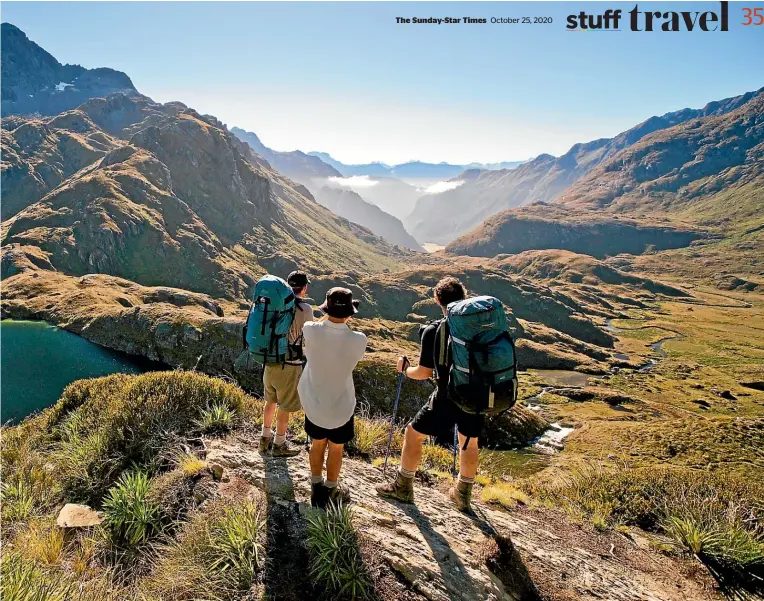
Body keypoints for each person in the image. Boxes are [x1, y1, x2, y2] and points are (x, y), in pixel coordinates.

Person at [376, 276, 480, 512]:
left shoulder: (434, 330)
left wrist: (405, 370)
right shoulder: (477, 327)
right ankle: (462, 495)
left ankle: (403, 486)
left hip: (448, 395)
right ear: (464, 297)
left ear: (436, 300)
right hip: (477, 394)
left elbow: (423, 373)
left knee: (413, 434)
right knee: (469, 441)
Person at [299, 287, 367, 507]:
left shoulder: (310, 329)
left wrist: (328, 316)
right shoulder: (359, 339)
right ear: (350, 313)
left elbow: (318, 325)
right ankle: (330, 488)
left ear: (326, 309)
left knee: (317, 444)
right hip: (342, 405)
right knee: (337, 448)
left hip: (315, 402)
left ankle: (315, 485)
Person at [259, 270, 314, 457]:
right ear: (304, 288)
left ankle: (264, 439)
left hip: (270, 359)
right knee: (285, 405)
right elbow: (309, 336)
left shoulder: (275, 304)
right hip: (290, 364)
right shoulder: (305, 310)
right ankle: (279, 444)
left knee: (270, 401)